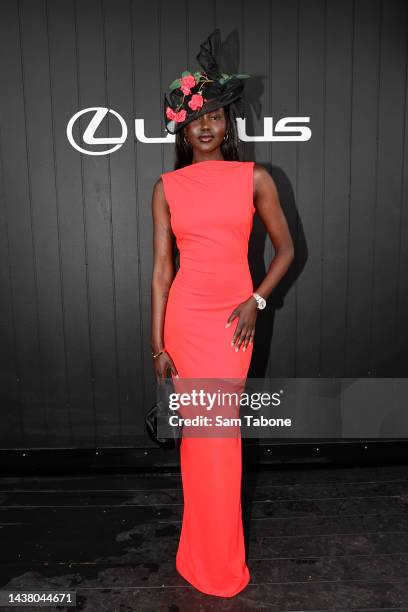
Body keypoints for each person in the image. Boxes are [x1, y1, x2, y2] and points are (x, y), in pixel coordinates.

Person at [150, 30, 294, 598]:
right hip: (184, 322)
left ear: (228, 124)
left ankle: (221, 563)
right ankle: (196, 555)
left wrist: (257, 300)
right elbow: (162, 272)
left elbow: (286, 251)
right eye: (195, 117)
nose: (205, 124)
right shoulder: (165, 187)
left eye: (214, 115)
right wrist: (157, 345)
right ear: (181, 129)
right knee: (196, 446)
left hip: (232, 322)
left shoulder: (255, 178)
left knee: (221, 443)